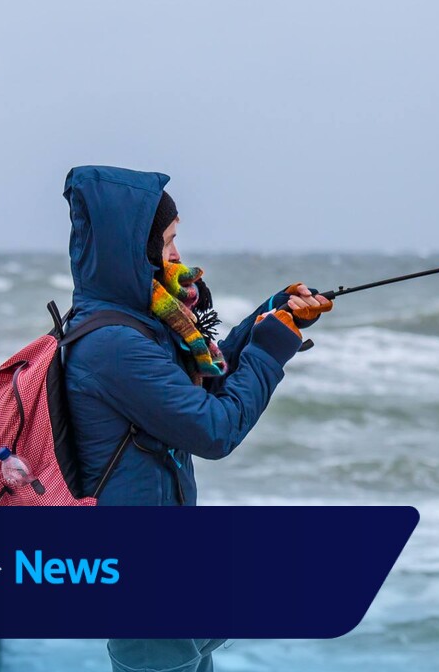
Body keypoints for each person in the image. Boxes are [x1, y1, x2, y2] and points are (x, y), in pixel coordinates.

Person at [61, 165, 331, 672]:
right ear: (131, 249)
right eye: (167, 242)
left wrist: (267, 318)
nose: (178, 255)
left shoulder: (141, 324)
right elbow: (213, 428)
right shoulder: (112, 345)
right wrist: (271, 352)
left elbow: (206, 380)